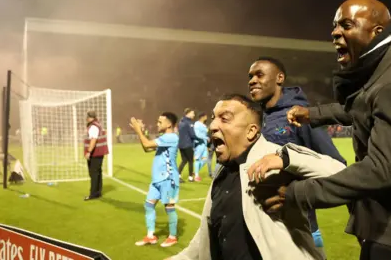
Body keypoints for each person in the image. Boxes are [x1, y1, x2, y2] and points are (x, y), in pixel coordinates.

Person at [263, 0, 391, 260]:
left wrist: (299, 193)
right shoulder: (383, 73)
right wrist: (313, 115)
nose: (335, 32)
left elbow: (380, 171)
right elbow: (359, 108)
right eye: (335, 26)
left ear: (376, 32)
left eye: (346, 25)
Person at [165, 94, 345, 260]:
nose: (212, 126)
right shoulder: (223, 172)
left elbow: (342, 175)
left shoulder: (276, 157)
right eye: (213, 118)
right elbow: (206, 237)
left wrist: (289, 159)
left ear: (251, 131)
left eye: (224, 118)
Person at [248, 56, 346, 249]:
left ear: (279, 78)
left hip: (300, 230)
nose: (252, 81)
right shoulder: (254, 118)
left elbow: (337, 167)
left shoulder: (299, 115)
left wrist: (297, 194)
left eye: (259, 75)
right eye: (250, 76)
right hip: (261, 227)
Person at [130, 112, 180, 248]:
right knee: (149, 205)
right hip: (157, 179)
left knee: (169, 207)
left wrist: (138, 130)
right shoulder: (164, 138)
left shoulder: (171, 137)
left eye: (160, 122)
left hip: (168, 179)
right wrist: (140, 132)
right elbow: (147, 148)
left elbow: (146, 145)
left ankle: (172, 236)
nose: (157, 124)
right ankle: (151, 236)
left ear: (169, 124)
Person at [84, 111, 109, 201]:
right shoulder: (97, 124)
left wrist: (88, 151)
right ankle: (98, 192)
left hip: (95, 153)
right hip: (99, 152)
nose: (86, 118)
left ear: (90, 117)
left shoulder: (93, 126)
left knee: (94, 173)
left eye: (87, 117)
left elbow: (93, 140)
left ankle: (93, 194)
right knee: (98, 172)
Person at [178, 108, 196, 182]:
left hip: (181, 145)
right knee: (191, 161)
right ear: (188, 113)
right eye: (192, 113)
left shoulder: (181, 122)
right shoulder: (189, 123)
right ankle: (190, 177)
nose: (194, 115)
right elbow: (192, 135)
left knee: (184, 160)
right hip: (188, 144)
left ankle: (178, 176)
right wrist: (200, 139)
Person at [193, 112, 209, 181]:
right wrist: (205, 138)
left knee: (205, 160)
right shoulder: (197, 124)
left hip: (204, 145)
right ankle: (196, 176)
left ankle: (196, 171)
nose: (206, 117)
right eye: (206, 116)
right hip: (199, 144)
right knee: (197, 159)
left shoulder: (203, 125)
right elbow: (196, 134)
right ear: (202, 117)